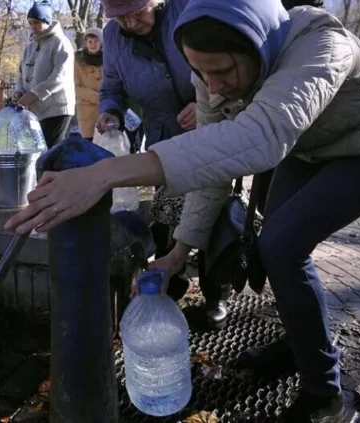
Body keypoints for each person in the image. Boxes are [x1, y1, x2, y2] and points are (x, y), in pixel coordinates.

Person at [6, 0, 360, 420]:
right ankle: (297, 342)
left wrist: (107, 173)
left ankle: (325, 393)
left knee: (283, 244)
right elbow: (213, 171)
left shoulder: (322, 45)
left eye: (223, 73)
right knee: (273, 246)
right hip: (309, 146)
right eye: (201, 74)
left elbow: (260, 136)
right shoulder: (212, 73)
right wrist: (176, 254)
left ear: (258, 48)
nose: (211, 89)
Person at [98, 0, 231, 325]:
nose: (129, 22)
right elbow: (112, 86)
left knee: (212, 209)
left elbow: (228, 71)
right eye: (120, 16)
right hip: (163, 136)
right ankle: (173, 281)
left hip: (212, 128)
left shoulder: (188, 10)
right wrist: (110, 110)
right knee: (165, 212)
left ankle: (216, 296)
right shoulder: (113, 36)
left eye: (136, 11)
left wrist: (205, 106)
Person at [13, 0, 76, 148]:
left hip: (57, 109)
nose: (32, 27)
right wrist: (18, 91)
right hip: (35, 110)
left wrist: (35, 93)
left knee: (50, 154)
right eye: (30, 23)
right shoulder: (30, 47)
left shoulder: (60, 43)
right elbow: (21, 74)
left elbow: (60, 77)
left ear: (46, 21)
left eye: (36, 22)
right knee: (39, 154)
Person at [73, 27, 103, 141]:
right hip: (86, 111)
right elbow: (76, 87)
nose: (93, 45)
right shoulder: (78, 60)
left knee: (106, 144)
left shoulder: (109, 57)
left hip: (105, 108)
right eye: (90, 41)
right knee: (89, 144)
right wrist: (96, 97)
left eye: (96, 41)